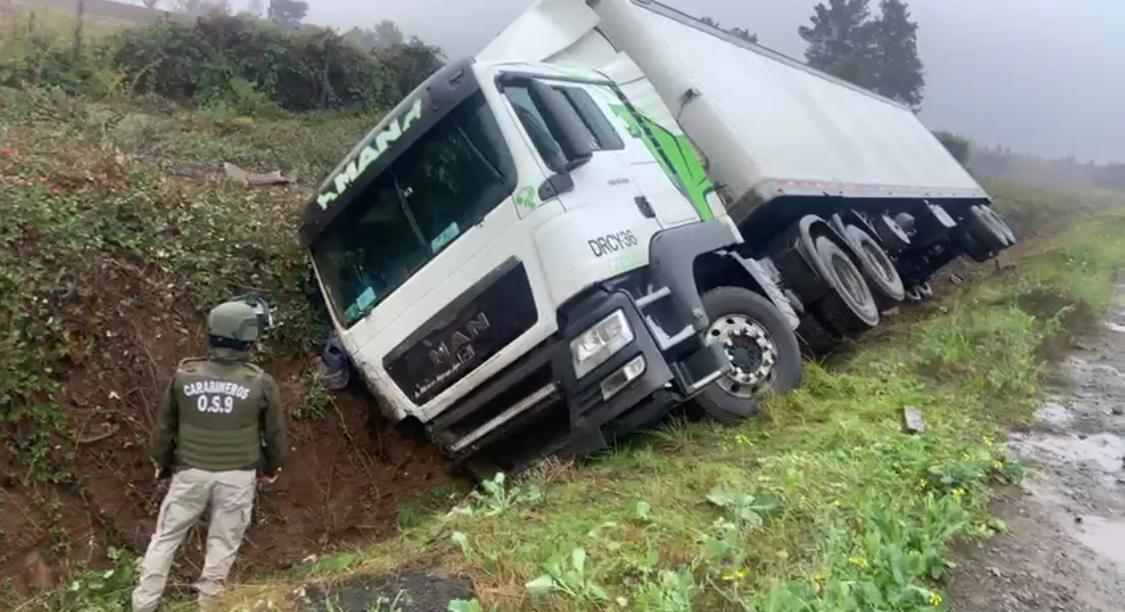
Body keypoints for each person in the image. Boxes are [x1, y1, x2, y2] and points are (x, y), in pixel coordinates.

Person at [132, 300, 287, 612]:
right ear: (249, 337)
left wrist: (160, 463)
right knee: (222, 545)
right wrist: (272, 467)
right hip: (237, 477)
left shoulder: (184, 376)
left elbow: (164, 428)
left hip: (189, 472)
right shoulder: (260, 382)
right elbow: (275, 435)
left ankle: (143, 605)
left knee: (165, 540)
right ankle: (209, 605)